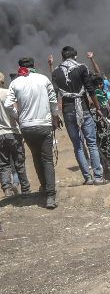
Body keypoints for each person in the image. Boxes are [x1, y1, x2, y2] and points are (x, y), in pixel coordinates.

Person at [3, 58, 60, 209]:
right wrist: (55, 119)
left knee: (36, 156)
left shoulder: (15, 82)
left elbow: (8, 105)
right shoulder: (43, 79)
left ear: (20, 67)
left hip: (27, 127)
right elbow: (53, 100)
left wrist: (18, 117)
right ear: (34, 66)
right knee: (47, 159)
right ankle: (50, 196)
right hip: (44, 125)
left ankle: (43, 188)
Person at [51, 46, 106, 185]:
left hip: (68, 110)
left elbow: (54, 96)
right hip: (83, 109)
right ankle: (98, 177)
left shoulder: (56, 72)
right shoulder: (82, 68)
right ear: (75, 56)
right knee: (92, 143)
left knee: (78, 145)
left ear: (62, 58)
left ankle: (87, 178)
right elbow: (90, 89)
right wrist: (98, 108)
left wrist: (55, 117)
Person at [0, 74, 30, 197]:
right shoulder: (8, 93)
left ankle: (7, 188)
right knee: (19, 162)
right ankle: (26, 189)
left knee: (3, 163)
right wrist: (23, 131)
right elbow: (17, 114)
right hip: (12, 133)